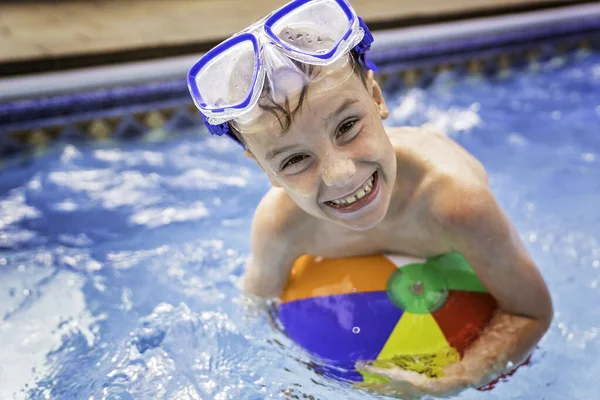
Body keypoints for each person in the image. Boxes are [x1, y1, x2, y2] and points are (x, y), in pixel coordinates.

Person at [187, 0, 553, 396]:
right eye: (294, 159)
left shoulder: (455, 205)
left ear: (377, 99)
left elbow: (530, 312)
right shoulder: (281, 226)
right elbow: (258, 313)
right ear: (265, 171)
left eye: (347, 126)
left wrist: (455, 379)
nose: (341, 175)